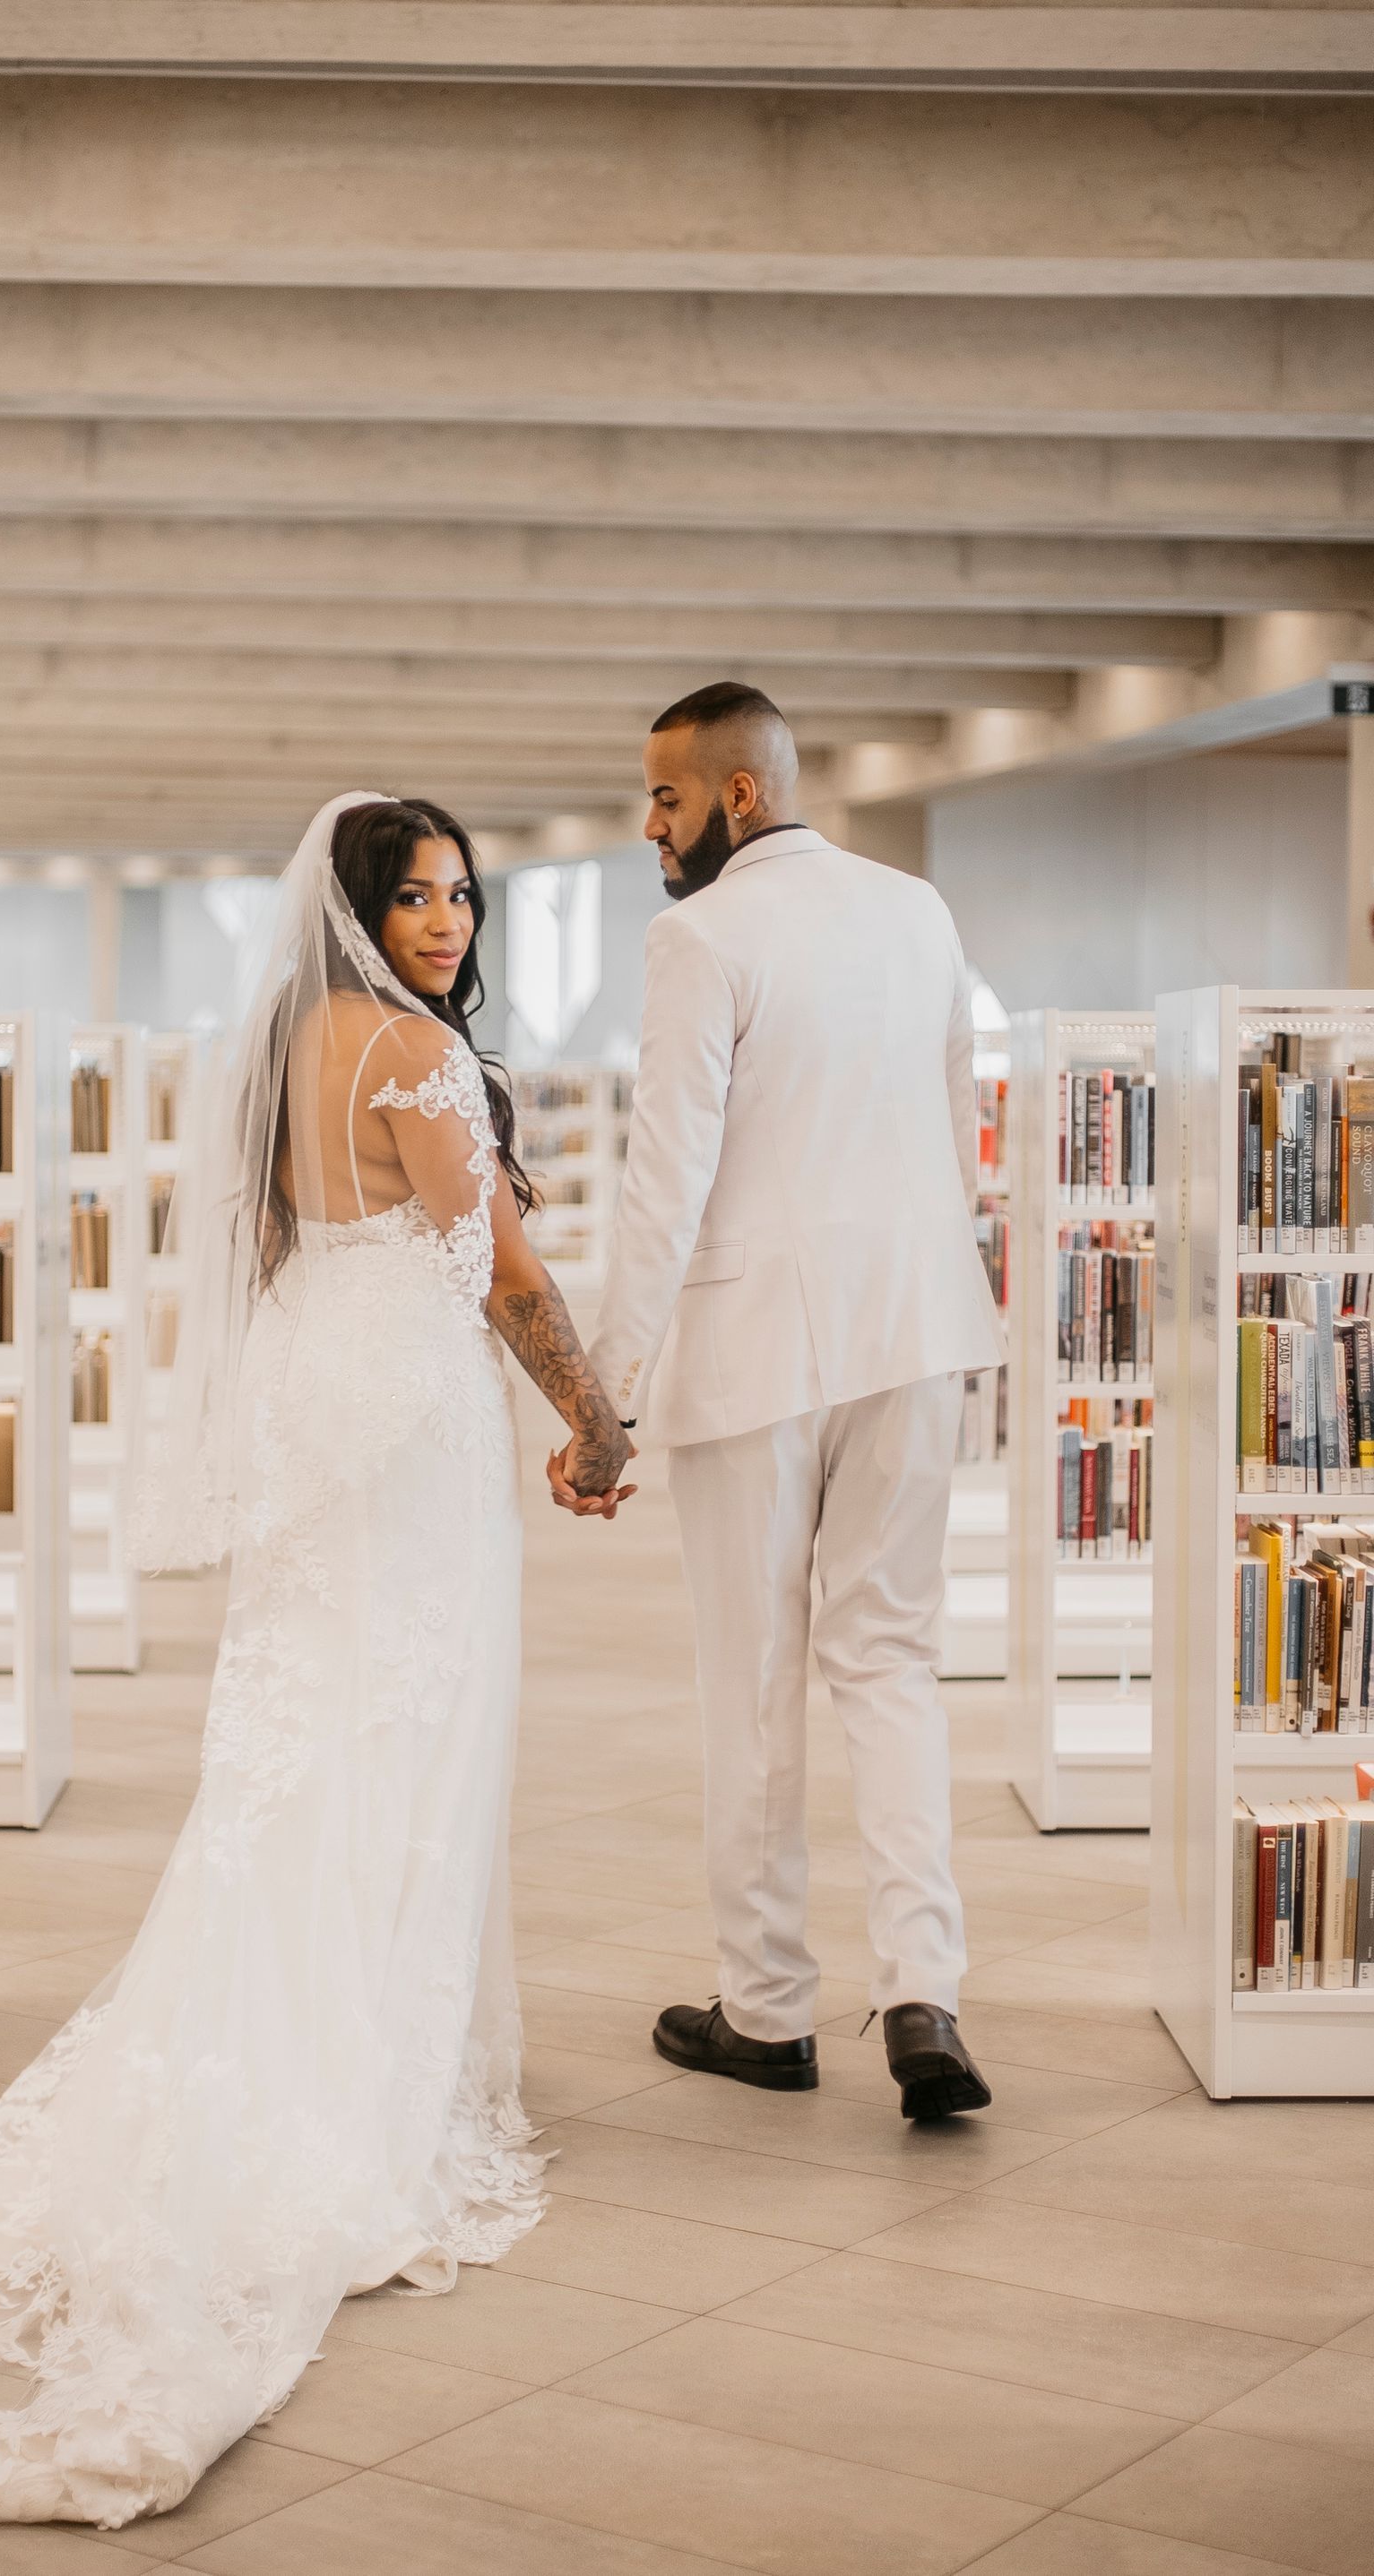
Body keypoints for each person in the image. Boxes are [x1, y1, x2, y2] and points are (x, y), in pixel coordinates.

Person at [0, 793, 633, 2529]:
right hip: (410, 1447)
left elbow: (306, 1256)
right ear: (363, 906)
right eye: (416, 893)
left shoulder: (289, 1044)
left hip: (322, 1430)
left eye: (461, 893)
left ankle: (325, 2021)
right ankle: (362, 2074)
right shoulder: (420, 1062)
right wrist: (598, 1419)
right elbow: (504, 1278)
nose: (446, 920)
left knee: (309, 1751)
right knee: (409, 1739)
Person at [549, 682, 1006, 2120]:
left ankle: (768, 2013)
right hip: (916, 1330)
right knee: (891, 1663)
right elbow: (949, 1128)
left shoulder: (697, 935)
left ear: (739, 795)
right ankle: (925, 1993)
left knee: (752, 1678)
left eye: (667, 799)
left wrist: (604, 1400)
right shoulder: (918, 911)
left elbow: (664, 1180)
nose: (651, 824)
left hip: (758, 1354)